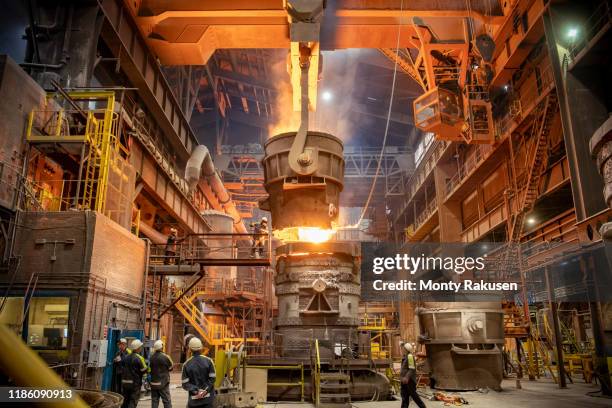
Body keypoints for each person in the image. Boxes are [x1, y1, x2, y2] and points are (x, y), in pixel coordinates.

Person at [181, 337, 216, 407]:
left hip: (194, 401)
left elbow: (185, 384)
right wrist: (205, 390)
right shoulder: (209, 361)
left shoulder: (186, 364)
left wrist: (196, 391)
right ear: (201, 348)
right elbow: (212, 379)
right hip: (208, 400)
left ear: (190, 349)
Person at [121, 339, 148, 408]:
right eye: (140, 347)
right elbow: (144, 370)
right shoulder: (139, 358)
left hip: (124, 382)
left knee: (125, 401)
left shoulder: (126, 357)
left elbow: (122, 367)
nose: (141, 348)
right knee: (133, 401)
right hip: (134, 384)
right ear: (138, 348)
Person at [400, 342, 426, 408]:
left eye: (403, 348)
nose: (402, 349)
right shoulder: (405, 357)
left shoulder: (410, 356)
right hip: (404, 380)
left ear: (406, 349)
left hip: (409, 381)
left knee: (414, 396)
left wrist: (406, 377)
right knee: (404, 397)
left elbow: (411, 368)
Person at [150, 340, 174, 408]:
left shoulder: (151, 357)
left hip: (153, 383)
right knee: (166, 401)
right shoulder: (165, 357)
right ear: (161, 347)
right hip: (163, 383)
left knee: (154, 401)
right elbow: (171, 368)